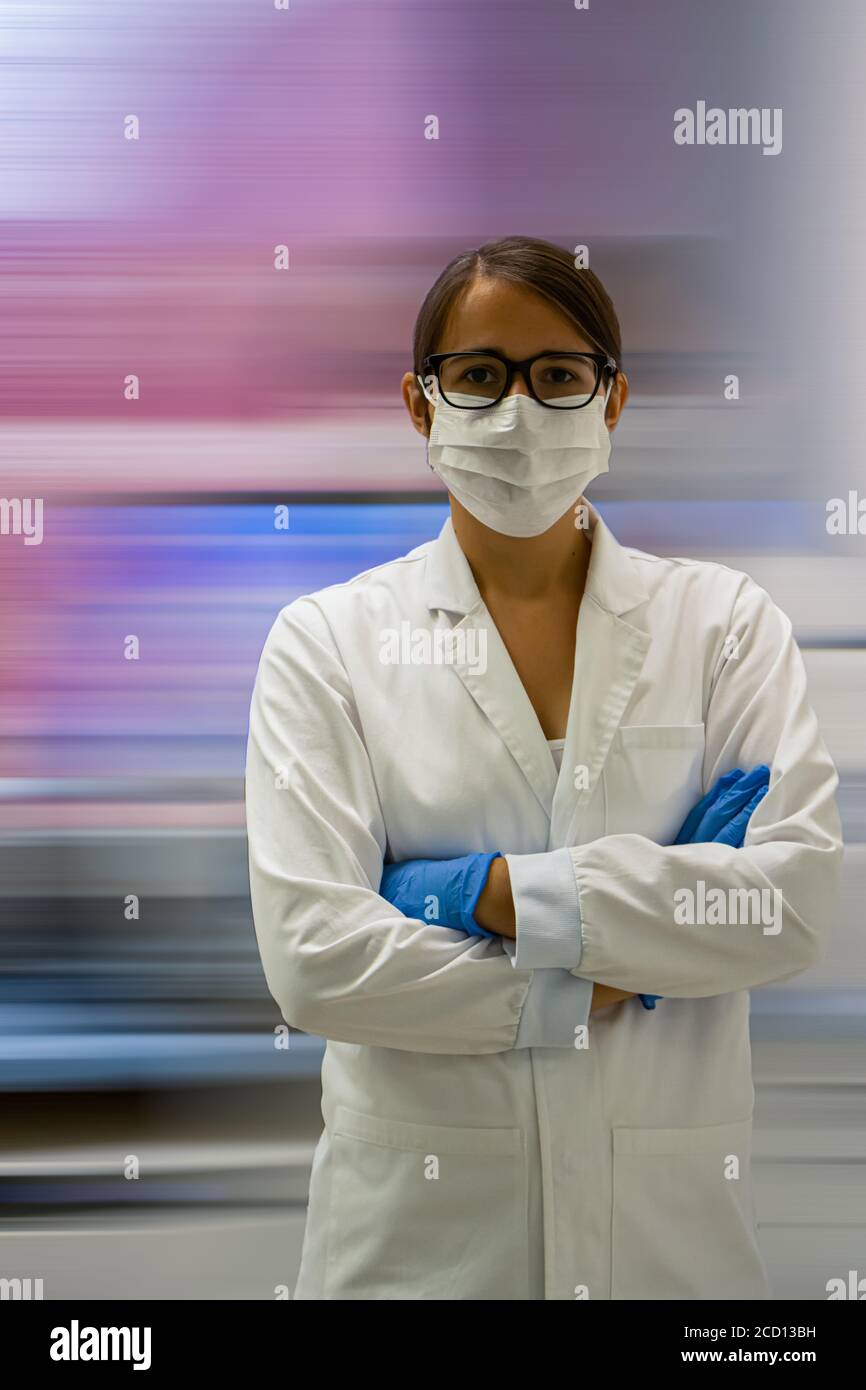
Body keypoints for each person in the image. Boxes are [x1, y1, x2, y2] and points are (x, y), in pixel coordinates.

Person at [245, 235, 843, 1301]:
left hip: (672, 1263)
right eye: (479, 375)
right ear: (420, 405)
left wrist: (478, 892)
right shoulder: (327, 643)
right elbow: (314, 960)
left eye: (557, 375)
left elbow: (788, 908)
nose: (518, 412)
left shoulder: (723, 629)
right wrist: (610, 967)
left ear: (611, 403)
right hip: (419, 1257)